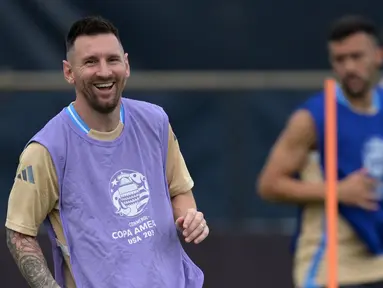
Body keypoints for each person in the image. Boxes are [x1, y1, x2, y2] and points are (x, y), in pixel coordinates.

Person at [5, 16, 208, 288]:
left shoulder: (155, 121)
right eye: (90, 62)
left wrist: (190, 218)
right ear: (69, 72)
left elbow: (178, 190)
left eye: (112, 60)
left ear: (126, 65)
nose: (104, 72)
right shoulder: (46, 149)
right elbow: (19, 234)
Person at [257, 15, 383, 288]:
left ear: (378, 55)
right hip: (332, 267)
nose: (349, 67)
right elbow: (269, 184)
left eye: (356, 56)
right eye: (339, 59)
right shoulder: (314, 116)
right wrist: (338, 191)